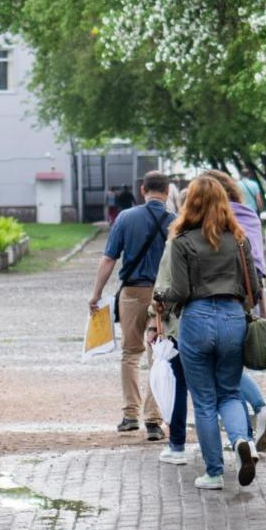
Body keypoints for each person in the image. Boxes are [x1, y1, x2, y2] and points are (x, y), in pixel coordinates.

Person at [153, 174, 263, 489]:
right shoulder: (239, 239)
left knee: (203, 400)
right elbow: (252, 287)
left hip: (197, 319)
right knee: (229, 392)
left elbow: (182, 290)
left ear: (191, 203)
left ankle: (214, 472)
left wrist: (162, 299)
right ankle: (242, 442)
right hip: (232, 317)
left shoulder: (182, 240)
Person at [88, 171, 174, 437]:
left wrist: (96, 294)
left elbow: (109, 259)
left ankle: (129, 415)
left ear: (142, 190)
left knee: (131, 353)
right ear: (168, 191)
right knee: (159, 355)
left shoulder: (125, 218)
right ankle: (153, 420)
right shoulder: (177, 222)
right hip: (164, 295)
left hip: (133, 294)